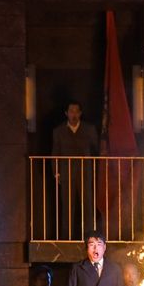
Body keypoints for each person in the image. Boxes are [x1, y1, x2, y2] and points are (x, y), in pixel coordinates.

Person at [52, 101, 100, 240]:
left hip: (85, 172)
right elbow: (55, 152)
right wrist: (56, 171)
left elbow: (96, 149)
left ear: (80, 113)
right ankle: (66, 239)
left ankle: (90, 238)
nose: (73, 114)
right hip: (66, 172)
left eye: (76, 111)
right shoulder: (58, 131)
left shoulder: (89, 129)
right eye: (71, 111)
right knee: (67, 207)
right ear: (66, 113)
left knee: (87, 206)